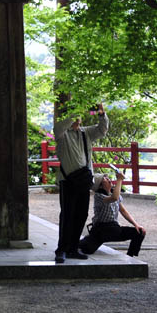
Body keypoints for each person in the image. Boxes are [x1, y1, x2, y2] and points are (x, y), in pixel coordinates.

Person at [53, 102, 109, 263]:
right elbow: (59, 128)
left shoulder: (86, 133)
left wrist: (101, 113)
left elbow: (102, 129)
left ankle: (72, 248)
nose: (78, 119)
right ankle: (61, 249)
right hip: (68, 180)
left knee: (81, 215)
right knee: (67, 215)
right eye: (75, 116)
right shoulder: (62, 133)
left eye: (79, 116)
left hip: (84, 180)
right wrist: (75, 112)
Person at [79, 170, 146, 257]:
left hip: (114, 228)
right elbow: (114, 198)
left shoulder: (114, 193)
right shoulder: (98, 196)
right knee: (86, 249)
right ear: (100, 186)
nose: (108, 179)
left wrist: (136, 224)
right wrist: (119, 180)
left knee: (139, 232)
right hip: (100, 230)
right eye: (105, 179)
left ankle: (130, 256)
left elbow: (123, 211)